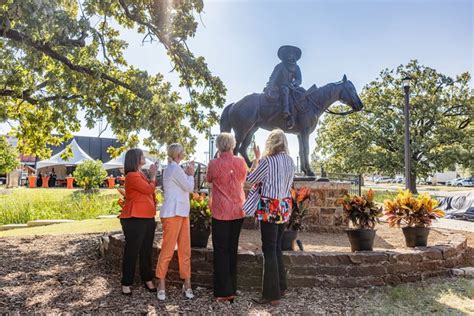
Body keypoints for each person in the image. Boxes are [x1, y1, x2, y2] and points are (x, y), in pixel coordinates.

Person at [243, 129, 295, 306]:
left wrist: (256, 160)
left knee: (269, 250)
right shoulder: (290, 161)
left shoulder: (267, 161)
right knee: (277, 248)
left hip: (269, 208)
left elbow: (251, 179)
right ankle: (281, 286)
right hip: (283, 207)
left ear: (270, 143)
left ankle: (271, 295)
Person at [206, 133, 247, 303]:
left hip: (221, 212)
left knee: (221, 250)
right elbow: (243, 180)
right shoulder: (240, 161)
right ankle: (232, 288)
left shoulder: (213, 163)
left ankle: (223, 292)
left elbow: (208, 179)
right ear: (232, 145)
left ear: (218, 146)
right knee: (232, 248)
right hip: (237, 210)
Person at [156, 143, 195, 300]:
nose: (184, 154)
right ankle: (161, 283)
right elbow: (189, 187)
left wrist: (186, 174)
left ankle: (187, 283)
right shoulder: (174, 168)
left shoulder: (173, 168)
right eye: (183, 152)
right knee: (168, 249)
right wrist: (191, 174)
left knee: (185, 250)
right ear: (179, 154)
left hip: (181, 213)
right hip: (173, 214)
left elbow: (181, 185)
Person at [119, 148, 158, 295]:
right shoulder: (131, 176)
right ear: (135, 159)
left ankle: (147, 278)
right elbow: (149, 189)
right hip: (134, 218)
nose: (144, 157)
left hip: (147, 217)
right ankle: (126, 282)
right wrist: (153, 176)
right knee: (132, 251)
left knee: (146, 250)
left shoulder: (140, 174)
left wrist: (151, 175)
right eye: (142, 156)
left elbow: (149, 189)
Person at [264, 45, 303, 129]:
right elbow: (273, 78)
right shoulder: (280, 66)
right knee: (285, 90)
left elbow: (299, 80)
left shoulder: (296, 68)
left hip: (292, 87)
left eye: (292, 53)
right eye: (288, 53)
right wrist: (269, 87)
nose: (290, 55)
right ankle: (286, 112)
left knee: (302, 92)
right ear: (285, 55)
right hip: (280, 87)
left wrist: (293, 84)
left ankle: (301, 115)